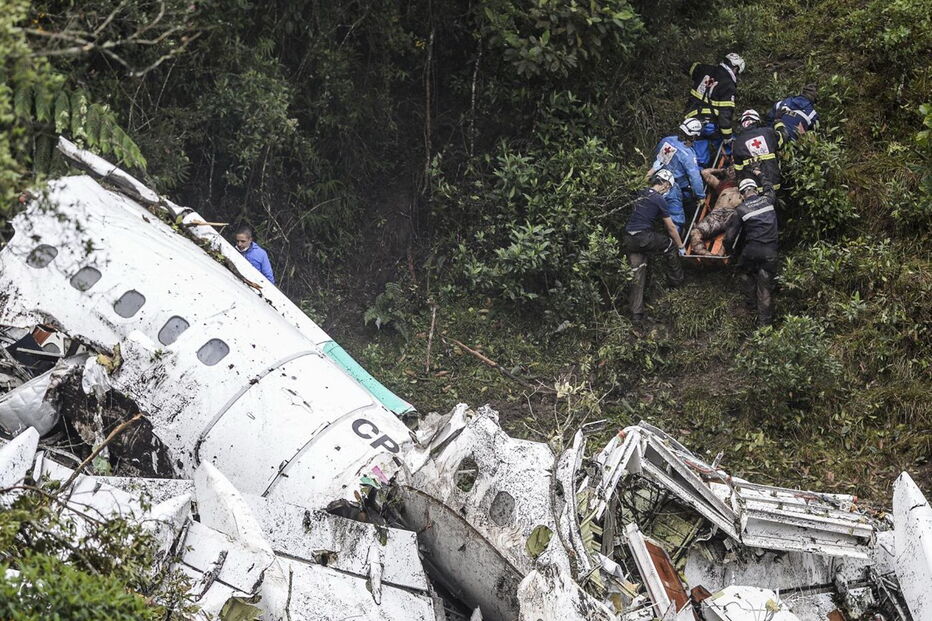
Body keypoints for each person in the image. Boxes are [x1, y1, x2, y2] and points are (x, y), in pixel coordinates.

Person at [624, 169, 686, 322]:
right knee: (669, 245)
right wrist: (681, 246)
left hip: (629, 238)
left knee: (638, 271)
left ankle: (636, 315)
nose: (668, 190)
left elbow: (643, 179)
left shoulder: (641, 191)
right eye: (668, 187)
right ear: (664, 184)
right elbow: (671, 228)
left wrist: (652, 169)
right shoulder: (659, 199)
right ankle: (677, 282)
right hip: (643, 237)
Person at [724, 178, 779, 326]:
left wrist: (732, 255)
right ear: (756, 189)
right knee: (765, 287)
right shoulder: (768, 200)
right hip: (770, 252)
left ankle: (751, 301)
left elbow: (729, 238)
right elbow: (770, 188)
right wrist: (760, 173)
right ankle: (764, 325)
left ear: (742, 194)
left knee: (743, 271)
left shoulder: (740, 210)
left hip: (751, 251)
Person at [683, 52, 746, 167]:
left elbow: (687, 66)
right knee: (731, 147)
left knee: (699, 157)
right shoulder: (728, 84)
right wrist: (728, 137)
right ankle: (729, 172)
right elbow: (725, 114)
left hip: (691, 121)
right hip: (710, 125)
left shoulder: (704, 69)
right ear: (735, 68)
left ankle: (699, 177)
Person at [646, 118, 706, 234]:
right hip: (672, 187)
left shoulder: (667, 141)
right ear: (693, 136)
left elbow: (658, 160)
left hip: (655, 181)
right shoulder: (687, 154)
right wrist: (700, 195)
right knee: (676, 219)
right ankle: (674, 246)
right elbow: (695, 177)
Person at [689, 166, 742, 255]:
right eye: (729, 169)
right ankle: (705, 254)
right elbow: (704, 172)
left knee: (732, 233)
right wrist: (720, 170)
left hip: (733, 215)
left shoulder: (746, 185)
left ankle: (721, 254)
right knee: (695, 232)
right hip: (716, 215)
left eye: (734, 169)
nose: (731, 171)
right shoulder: (722, 184)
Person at [732, 109, 786, 190]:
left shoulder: (737, 142)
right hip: (774, 183)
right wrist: (778, 121)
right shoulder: (768, 132)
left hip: (755, 188)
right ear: (757, 121)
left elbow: (738, 170)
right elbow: (783, 138)